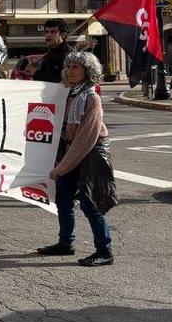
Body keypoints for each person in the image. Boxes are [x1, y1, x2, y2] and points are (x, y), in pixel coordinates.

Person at [37, 51, 117, 267]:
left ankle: (104, 250)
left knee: (91, 203)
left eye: (76, 67)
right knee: (62, 197)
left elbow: (84, 139)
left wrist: (62, 166)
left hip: (92, 152)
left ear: (87, 72)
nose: (70, 71)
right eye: (69, 66)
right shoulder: (67, 93)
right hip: (72, 150)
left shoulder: (91, 98)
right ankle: (66, 243)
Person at [34, 18, 70, 84]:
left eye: (53, 32)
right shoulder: (48, 54)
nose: (48, 35)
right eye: (46, 32)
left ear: (63, 35)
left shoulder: (68, 55)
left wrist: (35, 72)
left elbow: (61, 79)